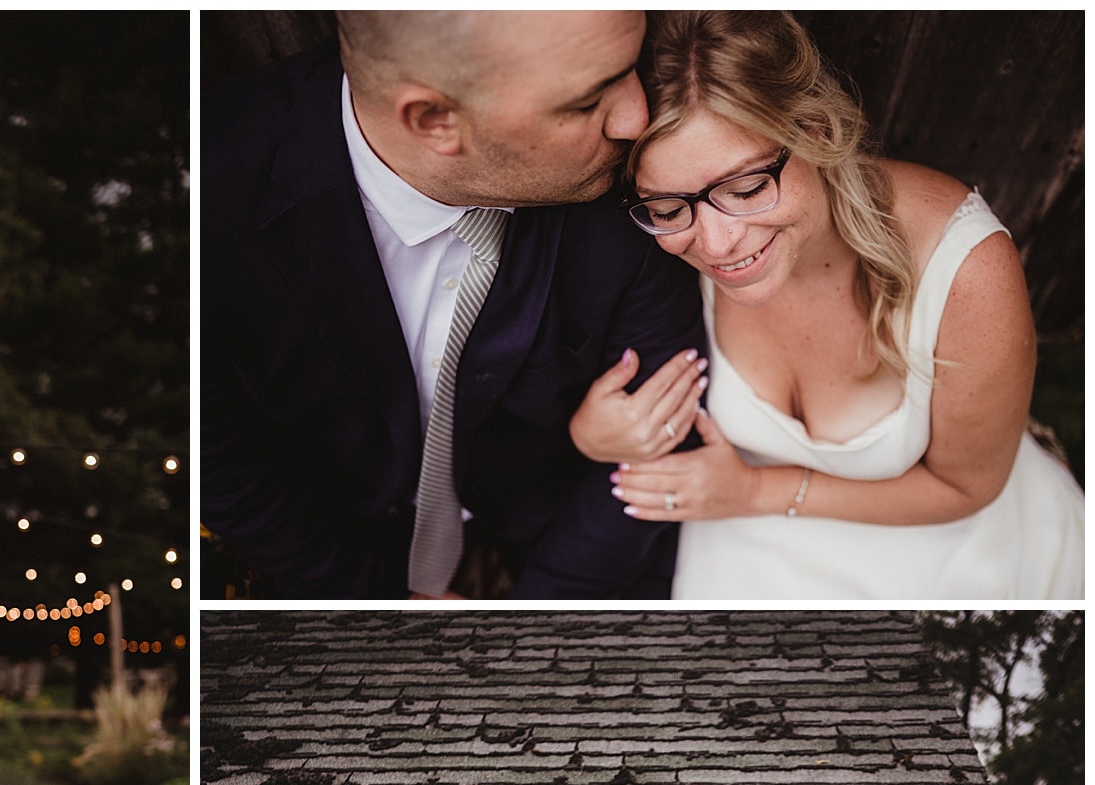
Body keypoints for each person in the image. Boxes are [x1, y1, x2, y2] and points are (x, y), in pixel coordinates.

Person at [203, 10, 706, 599]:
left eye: (630, 69)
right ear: (435, 120)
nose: (636, 118)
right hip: (327, 554)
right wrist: (371, 600)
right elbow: (218, 446)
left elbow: (665, 429)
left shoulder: (631, 177)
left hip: (565, 549)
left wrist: (529, 621)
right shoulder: (214, 190)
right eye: (587, 102)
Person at [589, 11, 1083, 597]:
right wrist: (590, 435)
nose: (716, 245)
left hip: (945, 553)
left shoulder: (967, 270)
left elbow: (966, 488)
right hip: (745, 551)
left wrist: (754, 492)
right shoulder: (652, 254)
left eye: (747, 189)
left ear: (817, 132)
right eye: (669, 208)